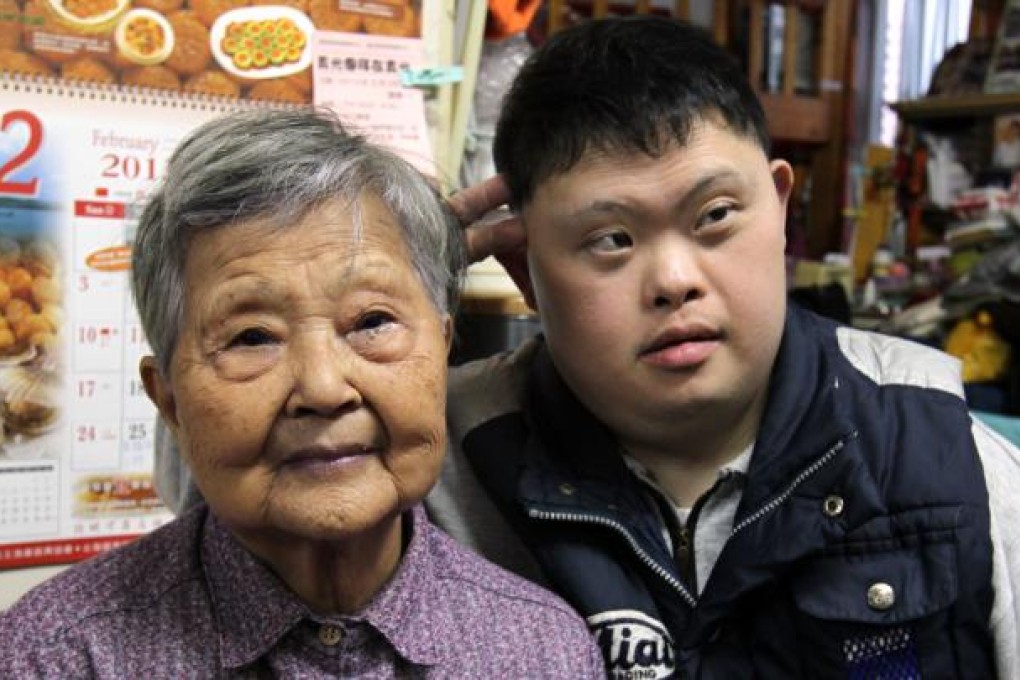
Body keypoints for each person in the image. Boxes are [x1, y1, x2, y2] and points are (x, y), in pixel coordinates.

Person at [153, 16, 1020, 679]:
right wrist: (393, 264)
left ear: (781, 206)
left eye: (716, 217)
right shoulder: (442, 451)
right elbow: (232, 498)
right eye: (610, 240)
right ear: (524, 266)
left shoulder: (940, 454)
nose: (674, 280)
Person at [0, 108, 604, 678]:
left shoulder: (541, 648)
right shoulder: (58, 656)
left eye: (371, 322)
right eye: (252, 337)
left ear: (442, 350)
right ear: (170, 403)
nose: (322, 388)